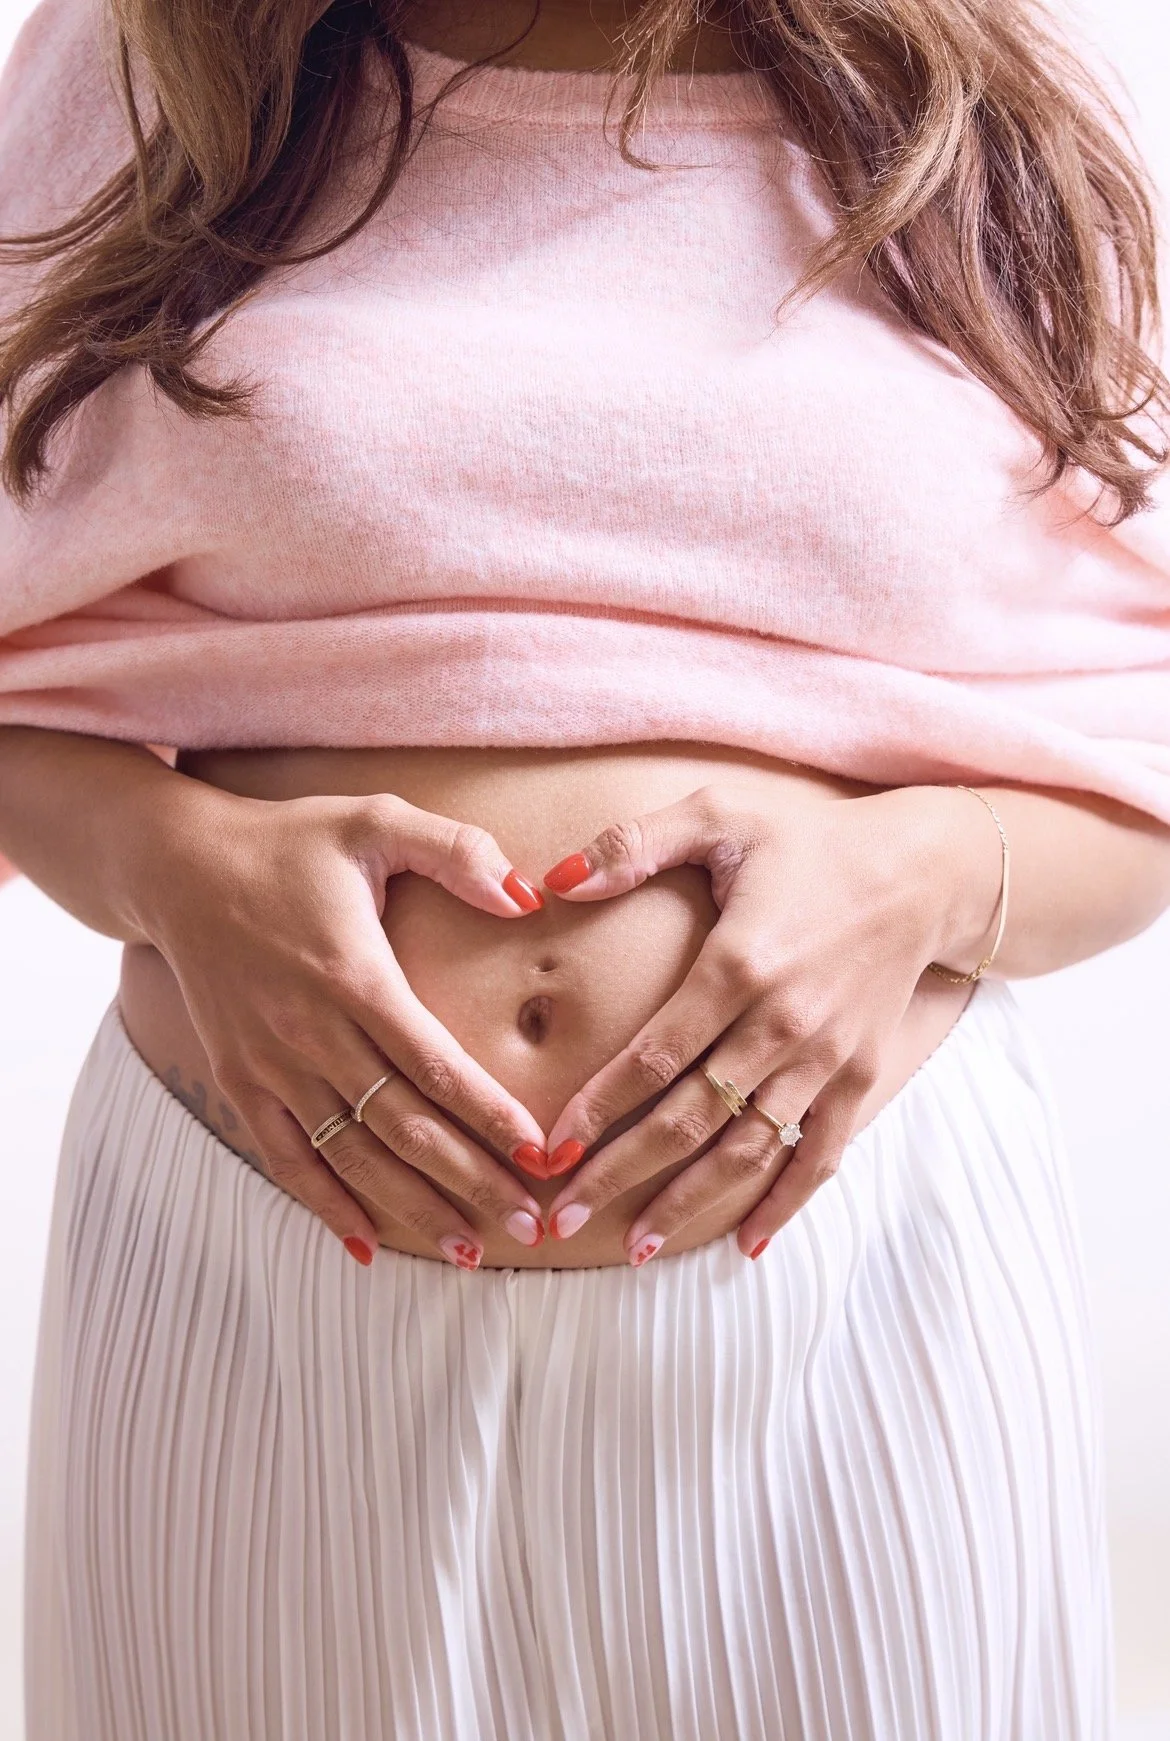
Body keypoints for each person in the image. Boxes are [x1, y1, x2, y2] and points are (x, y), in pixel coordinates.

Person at [2, 0, 1169, 1733]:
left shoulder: (988, 105)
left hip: (853, 1279)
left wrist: (934, 869)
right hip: (259, 1265)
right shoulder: (164, 71)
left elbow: (1140, 730)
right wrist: (171, 868)